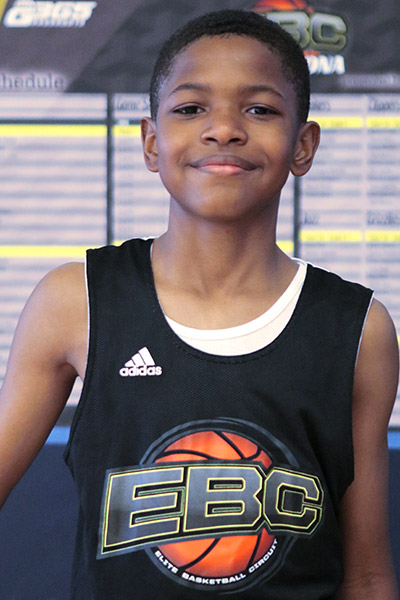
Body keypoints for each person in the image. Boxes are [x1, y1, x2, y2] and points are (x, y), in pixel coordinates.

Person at [0, 9, 398, 600]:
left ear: (303, 145)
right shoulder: (75, 300)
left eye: (259, 109)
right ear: (151, 142)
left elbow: (365, 574)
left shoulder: (358, 328)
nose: (224, 129)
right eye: (191, 108)